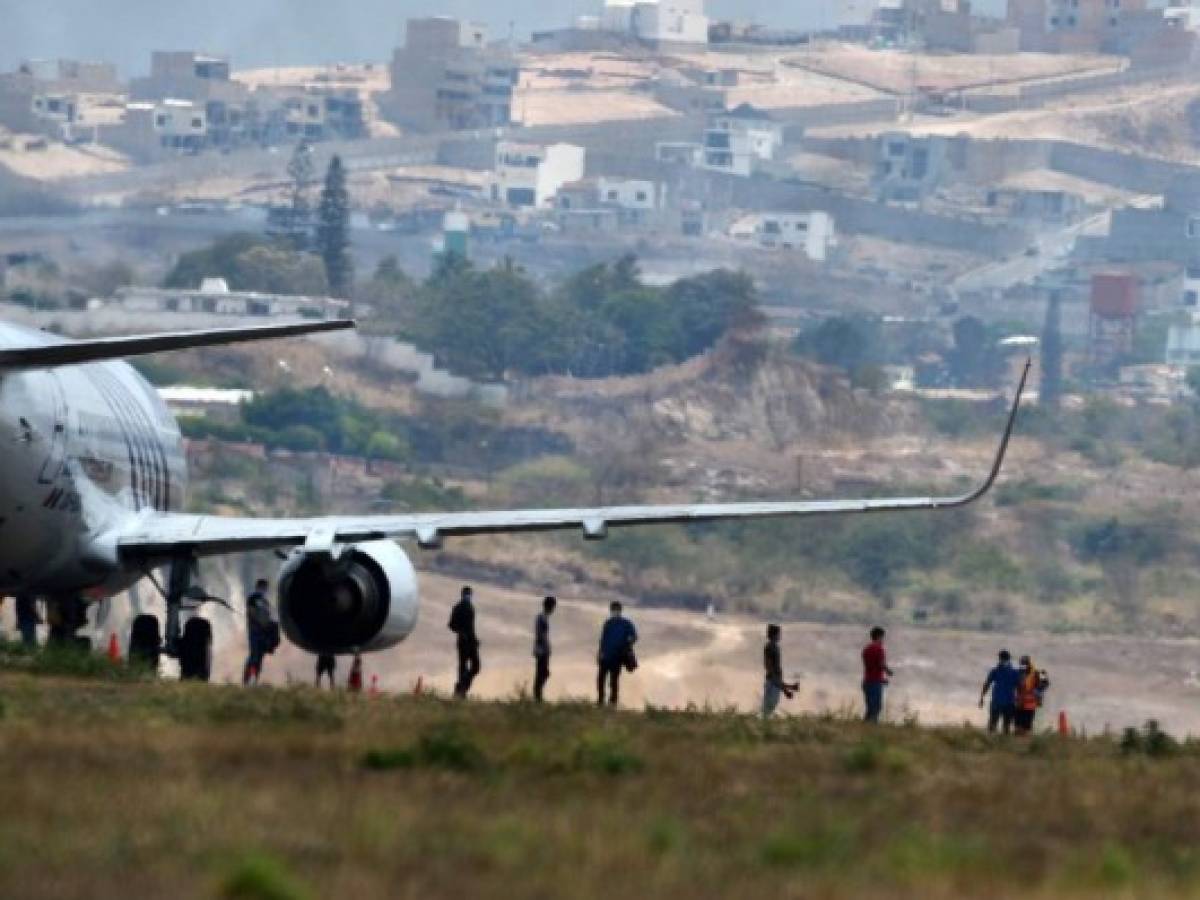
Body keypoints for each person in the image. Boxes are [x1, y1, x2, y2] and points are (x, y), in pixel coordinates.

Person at [597, 601, 638, 706]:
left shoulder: (626, 623)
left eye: (616, 610)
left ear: (620, 611)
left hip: (617, 657)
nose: (614, 612)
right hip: (606, 656)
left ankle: (613, 702)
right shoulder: (608, 623)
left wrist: (628, 642)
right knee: (601, 678)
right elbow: (603, 639)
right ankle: (600, 700)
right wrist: (600, 653)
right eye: (613, 610)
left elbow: (634, 636)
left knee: (613, 680)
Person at [448, 585, 480, 698]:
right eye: (466, 594)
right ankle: (461, 691)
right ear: (463, 595)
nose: (468, 596)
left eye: (469, 594)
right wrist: (461, 632)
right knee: (463, 667)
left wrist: (474, 639)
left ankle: (462, 686)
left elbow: (471, 627)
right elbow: (451, 625)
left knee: (476, 666)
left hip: (471, 641)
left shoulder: (471, 607)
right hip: (463, 641)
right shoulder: (458, 607)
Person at [978, 649, 1020, 734]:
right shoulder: (1015, 672)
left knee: (994, 725)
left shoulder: (996, 670)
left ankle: (992, 743)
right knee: (1005, 726)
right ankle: (1004, 743)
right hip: (1008, 701)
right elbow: (1020, 687)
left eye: (1000, 658)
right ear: (1009, 659)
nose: (1000, 660)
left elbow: (987, 684)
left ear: (1000, 658)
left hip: (999, 701)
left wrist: (982, 697)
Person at [762, 624, 799, 718]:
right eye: (779, 633)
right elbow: (770, 670)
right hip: (772, 684)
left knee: (768, 711)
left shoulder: (774, 647)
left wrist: (788, 688)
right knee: (766, 713)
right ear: (775, 635)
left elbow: (774, 674)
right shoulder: (770, 648)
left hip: (774, 684)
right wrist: (787, 689)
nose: (780, 636)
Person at [242, 578, 274, 685]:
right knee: (254, 656)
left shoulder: (265, 601)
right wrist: (262, 622)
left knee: (259, 657)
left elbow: (268, 616)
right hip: (255, 631)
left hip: (263, 633)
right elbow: (252, 613)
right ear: (260, 587)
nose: (265, 590)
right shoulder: (253, 598)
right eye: (264, 587)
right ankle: (247, 680)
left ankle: (254, 679)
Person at [861, 625, 893, 723]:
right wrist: (888, 671)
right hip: (875, 682)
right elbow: (880, 664)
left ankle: (866, 726)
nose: (883, 640)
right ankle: (872, 726)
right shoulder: (879, 649)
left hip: (867, 681)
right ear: (879, 636)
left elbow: (871, 667)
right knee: (876, 706)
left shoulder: (866, 649)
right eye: (883, 637)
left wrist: (882, 679)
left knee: (870, 707)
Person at [1014, 655, 1050, 735]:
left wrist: (1037, 691)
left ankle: (1025, 741)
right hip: (1019, 703)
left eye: (1024, 663)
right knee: (1017, 726)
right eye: (1021, 664)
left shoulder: (1037, 672)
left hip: (1029, 705)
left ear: (1029, 663)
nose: (1023, 666)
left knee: (1026, 727)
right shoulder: (1018, 672)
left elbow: (1046, 683)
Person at [532, 595, 556, 702]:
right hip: (542, 649)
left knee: (543, 673)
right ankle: (538, 695)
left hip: (542, 648)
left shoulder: (543, 617)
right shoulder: (541, 618)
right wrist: (545, 646)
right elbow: (540, 635)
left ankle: (538, 694)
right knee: (542, 673)